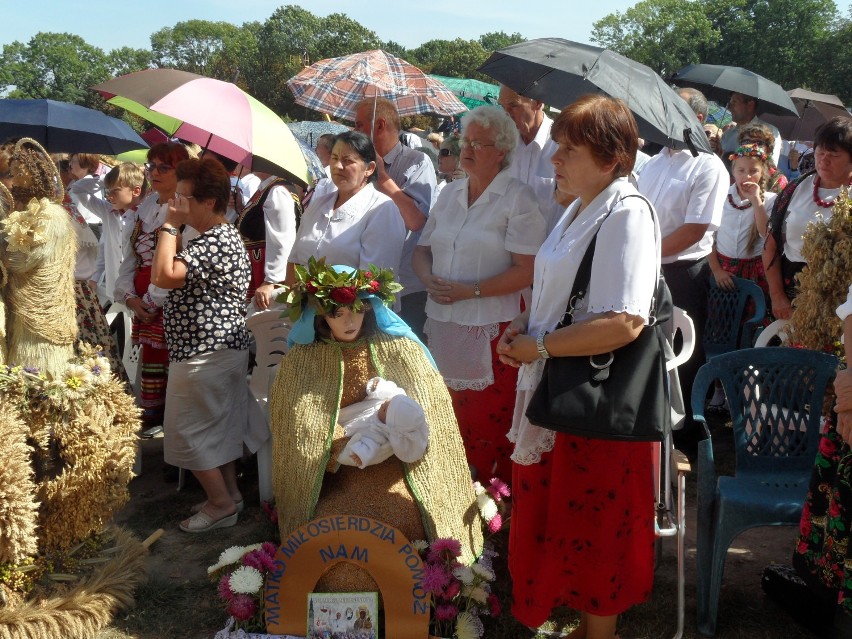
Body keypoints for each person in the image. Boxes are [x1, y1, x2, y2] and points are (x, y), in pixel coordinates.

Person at [496, 94, 660, 639]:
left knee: (594, 531)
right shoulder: (578, 207)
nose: (554, 159)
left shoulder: (627, 213)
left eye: (569, 150)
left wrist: (540, 348)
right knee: (563, 522)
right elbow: (561, 295)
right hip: (557, 383)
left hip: (592, 399)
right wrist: (527, 331)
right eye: (559, 147)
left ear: (611, 158)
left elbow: (624, 323)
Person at [269, 261, 483, 592]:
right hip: (336, 472)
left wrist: (397, 434)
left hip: (398, 466)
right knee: (335, 532)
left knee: (407, 517)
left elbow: (425, 402)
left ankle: (409, 593)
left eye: (356, 310)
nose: (349, 320)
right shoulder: (304, 359)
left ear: (369, 308)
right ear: (321, 315)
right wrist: (339, 448)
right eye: (337, 313)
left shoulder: (396, 347)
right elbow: (299, 419)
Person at [413, 105, 546, 480]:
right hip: (442, 323)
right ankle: (452, 496)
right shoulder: (448, 193)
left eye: (478, 143)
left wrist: (468, 291)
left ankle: (494, 506)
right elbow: (422, 251)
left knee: (490, 423)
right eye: (464, 141)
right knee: (447, 415)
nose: (466, 149)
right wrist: (428, 279)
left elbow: (527, 269)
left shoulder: (519, 198)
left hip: (493, 330)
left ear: (501, 151)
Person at [151, 157, 255, 533]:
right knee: (215, 431)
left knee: (185, 432)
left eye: (183, 197)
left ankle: (220, 503)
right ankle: (229, 497)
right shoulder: (216, 238)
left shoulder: (217, 240)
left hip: (205, 353)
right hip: (211, 351)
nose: (175, 204)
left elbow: (163, 275)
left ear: (208, 202)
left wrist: (168, 226)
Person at [638, 87, 728, 448]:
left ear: (699, 120)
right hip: (646, 268)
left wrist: (646, 250)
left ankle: (686, 435)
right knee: (647, 348)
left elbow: (694, 229)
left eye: (674, 110)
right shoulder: (655, 160)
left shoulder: (709, 166)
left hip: (683, 273)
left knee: (682, 353)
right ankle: (652, 424)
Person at [114, 142, 189, 434]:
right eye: (151, 166)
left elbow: (179, 263)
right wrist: (131, 298)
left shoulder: (185, 209)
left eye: (163, 167)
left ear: (180, 171)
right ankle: (158, 424)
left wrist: (152, 300)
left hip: (172, 301)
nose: (154, 172)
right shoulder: (144, 208)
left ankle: (175, 436)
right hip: (143, 300)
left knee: (173, 368)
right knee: (152, 366)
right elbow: (128, 259)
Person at [353, 97, 436, 338]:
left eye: (359, 125)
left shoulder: (418, 162)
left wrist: (383, 178)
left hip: (406, 287)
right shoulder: (359, 166)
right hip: (365, 284)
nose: (354, 131)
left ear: (379, 126)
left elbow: (416, 220)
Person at [0, 138, 77, 378]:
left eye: (16, 175)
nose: (12, 182)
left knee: (39, 378)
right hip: (22, 308)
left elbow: (22, 261)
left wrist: (3, 248)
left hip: (43, 318)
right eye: (11, 174)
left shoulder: (50, 215)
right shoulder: (23, 213)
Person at [763, 116, 852, 320]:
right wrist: (777, 296)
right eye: (820, 152)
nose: (823, 160)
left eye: (834, 154)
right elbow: (770, 244)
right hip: (791, 288)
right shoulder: (796, 189)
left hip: (841, 295)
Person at [288, 131, 405, 283]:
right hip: (305, 304)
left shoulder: (382, 210)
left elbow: (374, 282)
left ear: (369, 168)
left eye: (347, 161)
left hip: (352, 305)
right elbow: (294, 260)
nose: (337, 166)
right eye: (334, 158)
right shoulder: (318, 205)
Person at [70, 162, 146, 306]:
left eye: (115, 191)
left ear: (136, 191)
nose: (109, 196)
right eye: (107, 191)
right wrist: (106, 179)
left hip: (139, 287)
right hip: (116, 286)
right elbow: (78, 189)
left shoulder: (146, 215)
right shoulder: (108, 212)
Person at [708, 143, 775, 297]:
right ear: (733, 171)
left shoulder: (770, 200)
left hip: (754, 270)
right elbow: (708, 236)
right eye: (741, 170)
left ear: (763, 173)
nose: (747, 176)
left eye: (754, 171)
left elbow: (766, 234)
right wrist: (717, 270)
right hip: (722, 269)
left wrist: (756, 201)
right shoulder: (722, 196)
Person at [497, 84, 565, 231]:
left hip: (546, 247)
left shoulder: (563, 145)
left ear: (538, 102)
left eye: (514, 106)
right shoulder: (504, 146)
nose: (506, 114)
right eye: (502, 107)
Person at [336, 377, 429, 469]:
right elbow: (388, 390)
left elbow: (370, 446)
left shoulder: (379, 433)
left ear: (388, 423)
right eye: (388, 402)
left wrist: (359, 455)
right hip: (351, 414)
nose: (383, 404)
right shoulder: (393, 400)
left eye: (384, 410)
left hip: (347, 430)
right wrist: (376, 386)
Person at [721, 92, 783, 166]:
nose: (729, 107)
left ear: (750, 105)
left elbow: (770, 167)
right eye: (730, 102)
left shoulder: (770, 132)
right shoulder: (727, 135)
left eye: (734, 102)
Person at [737, 123, 788, 193]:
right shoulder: (735, 172)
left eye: (758, 143)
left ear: (768, 149)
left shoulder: (778, 180)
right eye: (746, 142)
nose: (751, 146)